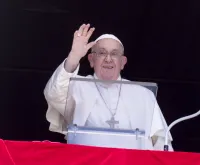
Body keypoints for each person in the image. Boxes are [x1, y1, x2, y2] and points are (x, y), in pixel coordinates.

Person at [44, 23, 173, 151]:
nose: (108, 59)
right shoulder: (77, 86)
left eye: (114, 54)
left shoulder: (143, 94)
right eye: (101, 53)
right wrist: (74, 57)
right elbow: (54, 94)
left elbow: (161, 140)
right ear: (91, 59)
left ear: (122, 63)